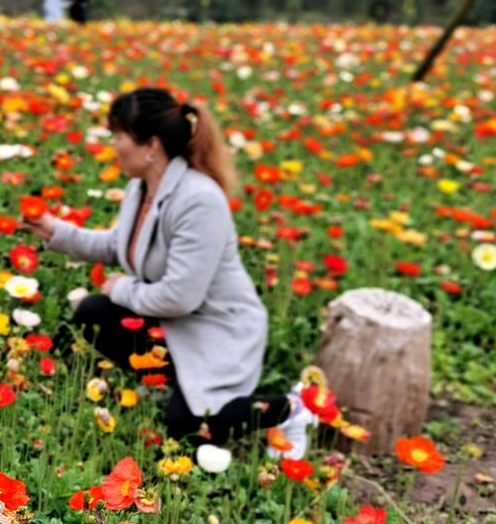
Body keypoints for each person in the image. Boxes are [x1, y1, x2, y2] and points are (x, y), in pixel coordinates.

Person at [22, 86, 319, 455]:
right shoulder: (142, 187)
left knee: (189, 431)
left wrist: (121, 288)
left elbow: (179, 297)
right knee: (94, 313)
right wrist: (55, 231)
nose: (113, 146)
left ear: (152, 145)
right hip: (175, 323)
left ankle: (292, 409)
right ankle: (171, 387)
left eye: (119, 136)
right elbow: (119, 246)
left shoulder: (199, 200)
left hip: (216, 330)